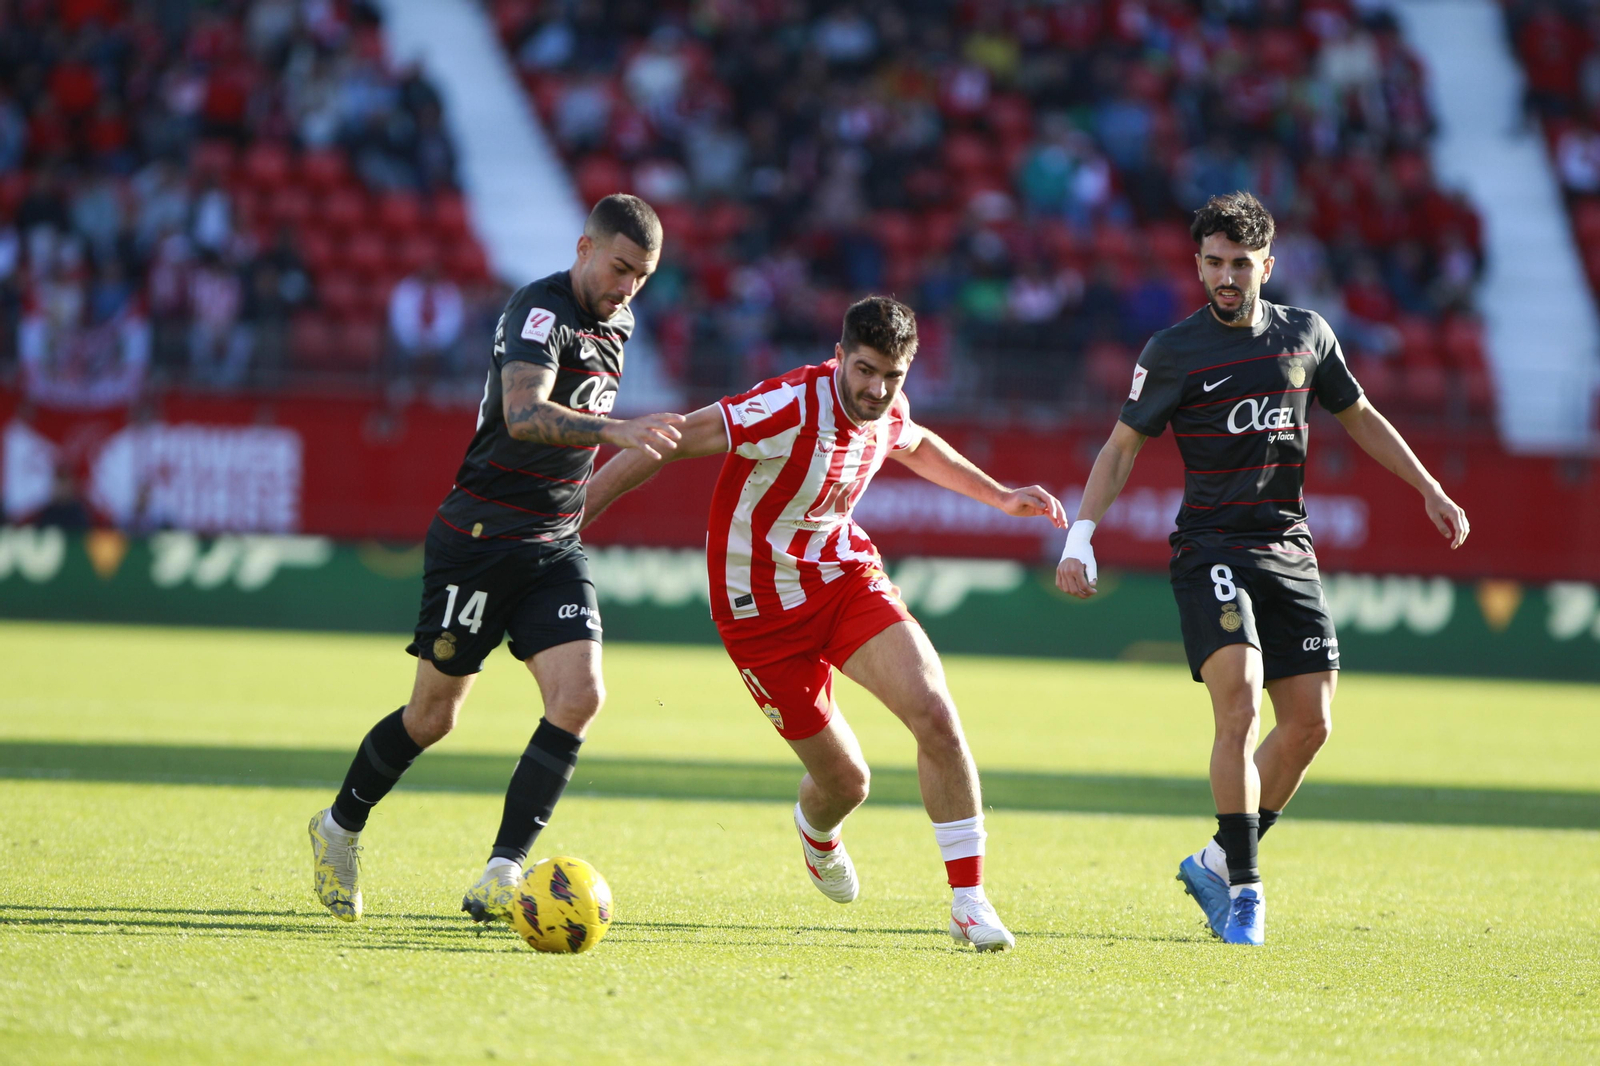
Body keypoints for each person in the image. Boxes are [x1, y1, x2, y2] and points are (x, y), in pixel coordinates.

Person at [582, 296, 1066, 951]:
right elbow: (667, 440)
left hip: (843, 581)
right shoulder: (785, 406)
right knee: (847, 782)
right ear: (839, 356)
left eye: (890, 376)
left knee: (935, 712)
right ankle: (817, 832)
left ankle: (968, 901)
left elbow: (917, 444)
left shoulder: (890, 406)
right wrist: (572, 519)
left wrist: (1001, 496)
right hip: (757, 615)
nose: (875, 388)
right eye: (863, 369)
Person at [1055, 192, 1469, 945]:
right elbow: (1121, 448)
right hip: (1210, 547)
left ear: (1266, 266)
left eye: (1240, 264)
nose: (1225, 277)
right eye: (1212, 262)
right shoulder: (1173, 350)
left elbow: (1362, 417)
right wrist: (1081, 534)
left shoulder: (1307, 335)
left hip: (1287, 548)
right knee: (1240, 705)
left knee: (1310, 725)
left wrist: (1429, 488)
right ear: (1197, 263)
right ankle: (1245, 890)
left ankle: (1216, 859)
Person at [307, 194, 685, 924]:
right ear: (583, 247)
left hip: (550, 545)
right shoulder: (537, 312)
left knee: (579, 696)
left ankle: (503, 872)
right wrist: (619, 431)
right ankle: (338, 828)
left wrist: (588, 501)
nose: (629, 286)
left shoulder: (622, 320)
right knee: (433, 717)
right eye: (619, 268)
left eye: (643, 275)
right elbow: (523, 413)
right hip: (480, 539)